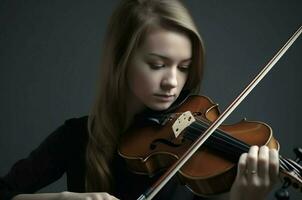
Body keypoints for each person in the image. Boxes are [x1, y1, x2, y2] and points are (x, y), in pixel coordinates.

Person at [0, 0, 279, 199]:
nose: (173, 81)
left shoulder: (193, 160)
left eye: (183, 67)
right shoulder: (75, 137)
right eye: (157, 65)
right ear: (120, 62)